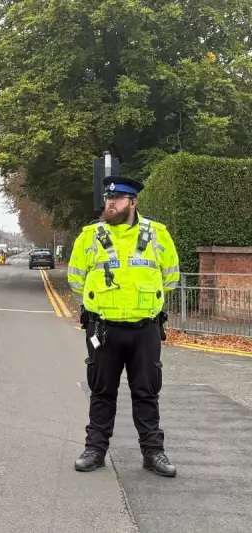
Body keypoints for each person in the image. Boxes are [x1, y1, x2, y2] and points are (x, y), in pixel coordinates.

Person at [67, 176, 180, 478]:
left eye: (117, 199)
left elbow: (170, 278)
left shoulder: (157, 235)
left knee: (146, 393)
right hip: (103, 329)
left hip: (145, 330)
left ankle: (153, 453)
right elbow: (75, 279)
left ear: (133, 202)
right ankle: (95, 450)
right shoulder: (90, 236)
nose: (111, 204)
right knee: (102, 392)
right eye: (108, 199)